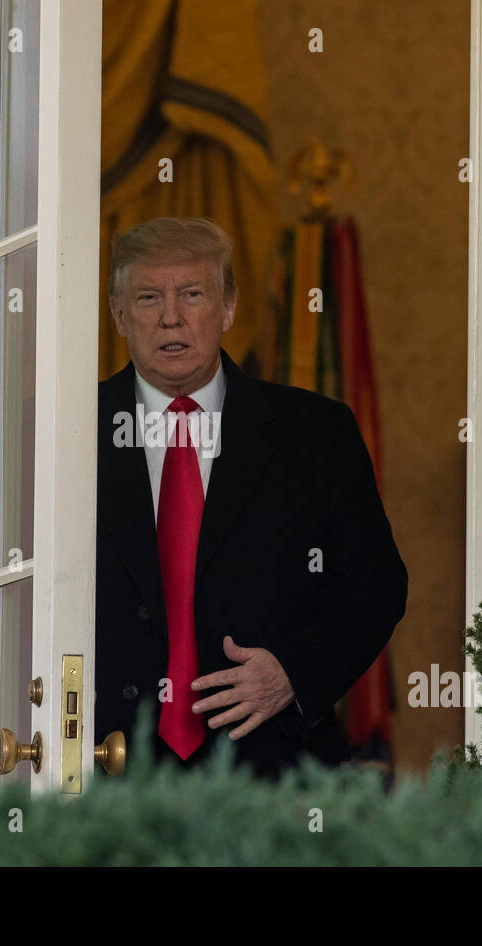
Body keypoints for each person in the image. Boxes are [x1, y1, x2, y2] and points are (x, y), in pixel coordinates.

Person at [95, 216, 408, 780]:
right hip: (107, 769)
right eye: (148, 297)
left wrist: (294, 673)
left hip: (275, 770)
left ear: (229, 306)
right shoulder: (68, 433)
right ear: (118, 314)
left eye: (192, 294)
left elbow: (375, 585)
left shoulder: (316, 431)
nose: (171, 316)